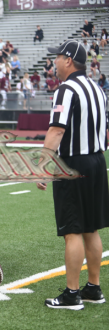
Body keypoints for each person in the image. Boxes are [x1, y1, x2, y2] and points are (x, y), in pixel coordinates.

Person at [39, 39, 107, 309]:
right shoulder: (98, 88)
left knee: (73, 230)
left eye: (56, 57)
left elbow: (57, 130)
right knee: (91, 228)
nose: (53, 62)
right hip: (97, 161)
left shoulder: (66, 90)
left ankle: (71, 294)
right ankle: (93, 287)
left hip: (73, 165)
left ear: (68, 60)